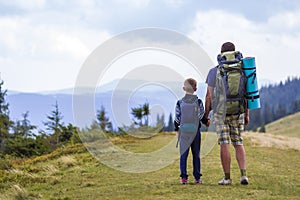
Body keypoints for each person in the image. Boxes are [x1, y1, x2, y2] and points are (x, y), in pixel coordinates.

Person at [205, 42, 249, 185]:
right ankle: (243, 176)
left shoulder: (214, 71)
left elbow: (209, 96)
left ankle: (227, 178)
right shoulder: (242, 69)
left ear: (221, 54)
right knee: (238, 143)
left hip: (220, 113)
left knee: (224, 143)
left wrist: (206, 115)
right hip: (238, 111)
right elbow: (246, 94)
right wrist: (246, 114)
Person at [174, 78, 209, 184]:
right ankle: (197, 177)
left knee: (183, 155)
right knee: (196, 154)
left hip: (184, 132)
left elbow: (177, 118)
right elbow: (201, 116)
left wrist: (177, 129)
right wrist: (207, 122)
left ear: (184, 88)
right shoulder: (198, 102)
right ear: (195, 89)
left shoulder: (180, 102)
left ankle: (183, 178)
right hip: (195, 132)